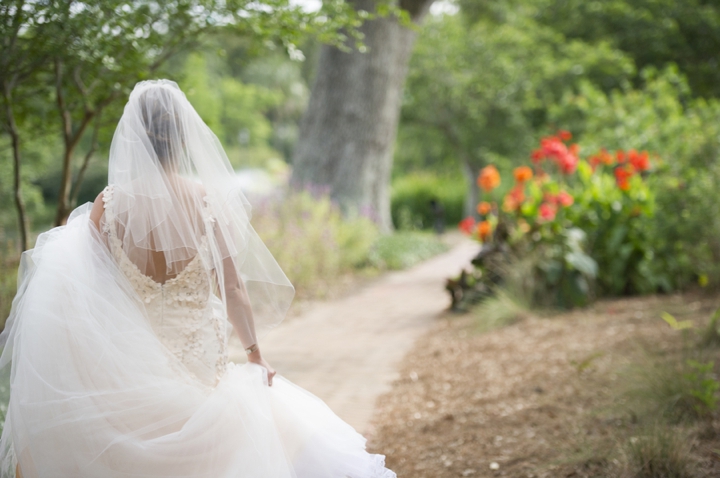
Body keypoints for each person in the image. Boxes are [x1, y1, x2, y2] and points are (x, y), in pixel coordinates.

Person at [0, 80, 395, 478]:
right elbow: (235, 286)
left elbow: (88, 287)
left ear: (135, 135)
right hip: (200, 361)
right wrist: (256, 353)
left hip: (134, 361)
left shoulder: (110, 204)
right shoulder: (204, 200)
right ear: (182, 137)